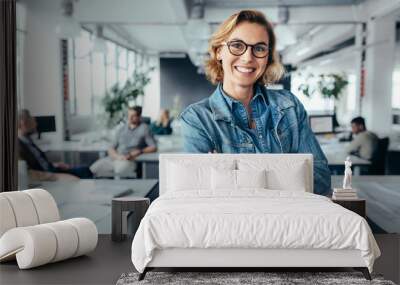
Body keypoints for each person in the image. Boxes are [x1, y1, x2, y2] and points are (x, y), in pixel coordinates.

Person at [180, 10, 331, 195]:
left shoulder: (288, 106)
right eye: (237, 45)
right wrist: (289, 175)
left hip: (288, 221)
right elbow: (200, 193)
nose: (248, 57)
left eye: (259, 48)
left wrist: (230, 176)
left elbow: (320, 178)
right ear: (219, 51)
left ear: (267, 57)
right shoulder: (197, 119)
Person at [18, 109, 93, 180]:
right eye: (33, 121)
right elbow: (29, 172)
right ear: (23, 123)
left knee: (85, 169)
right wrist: (57, 176)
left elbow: (40, 162)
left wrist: (54, 164)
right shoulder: (18, 146)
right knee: (85, 172)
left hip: (51, 170)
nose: (36, 124)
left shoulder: (27, 140)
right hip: (48, 175)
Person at [90, 106, 157, 177]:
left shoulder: (144, 128)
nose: (130, 118)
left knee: (119, 171)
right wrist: (117, 156)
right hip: (115, 158)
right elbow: (111, 148)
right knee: (93, 169)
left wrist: (140, 151)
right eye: (129, 115)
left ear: (139, 116)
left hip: (129, 159)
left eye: (133, 116)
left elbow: (153, 147)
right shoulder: (122, 128)